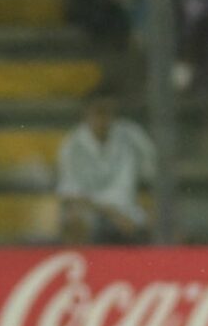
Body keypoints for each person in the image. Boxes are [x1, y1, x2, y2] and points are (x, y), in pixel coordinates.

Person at [57, 91, 156, 245]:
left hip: (129, 209)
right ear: (87, 114)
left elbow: (153, 176)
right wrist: (113, 215)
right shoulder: (72, 145)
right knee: (73, 220)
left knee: (161, 221)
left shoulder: (132, 136)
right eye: (98, 112)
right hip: (91, 211)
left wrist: (150, 208)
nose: (103, 119)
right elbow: (70, 195)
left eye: (107, 112)